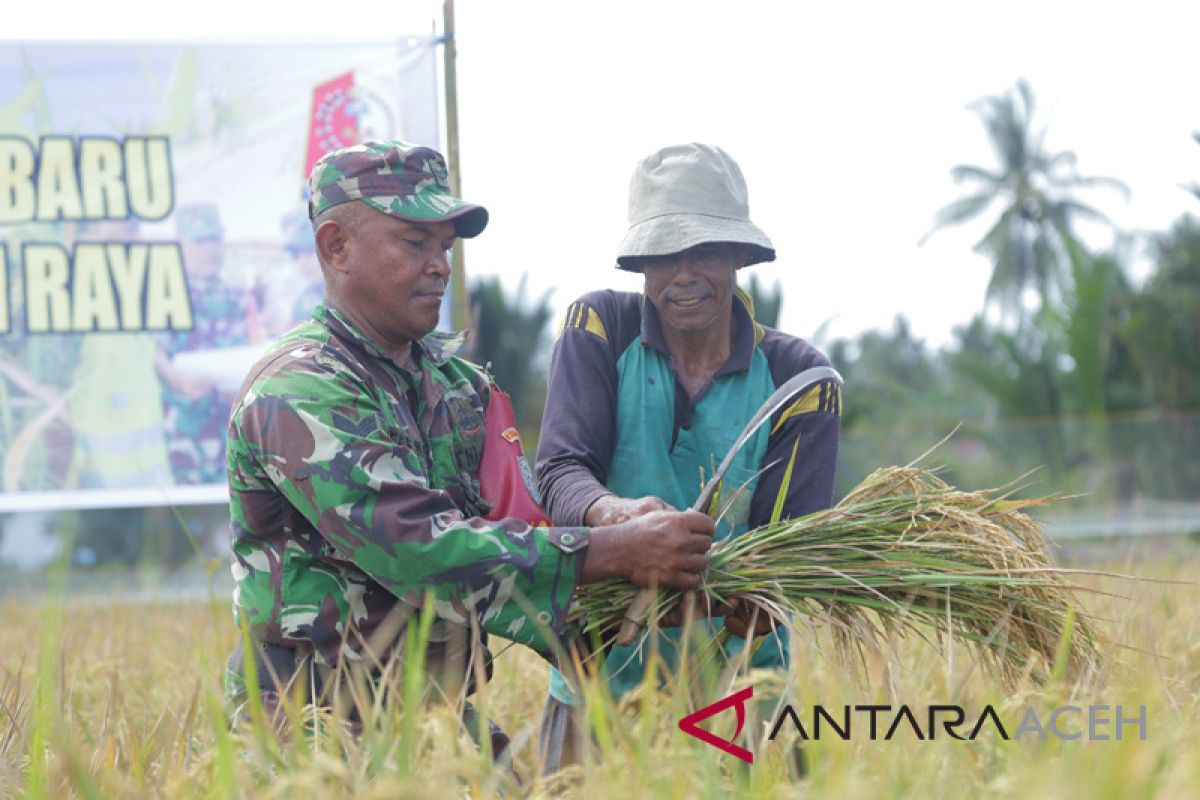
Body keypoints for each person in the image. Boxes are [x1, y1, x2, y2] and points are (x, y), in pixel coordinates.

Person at [224, 140, 719, 757]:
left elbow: (518, 531)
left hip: (432, 719)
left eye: (445, 247)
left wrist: (668, 586)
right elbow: (421, 551)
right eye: (414, 242)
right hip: (312, 731)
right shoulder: (299, 391)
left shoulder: (459, 387)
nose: (440, 265)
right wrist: (614, 550)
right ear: (335, 246)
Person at [535, 142, 842, 770]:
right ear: (640, 263)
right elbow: (560, 474)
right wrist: (618, 516)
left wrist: (737, 591)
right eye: (663, 255)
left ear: (739, 256)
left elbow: (790, 549)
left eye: (703, 251)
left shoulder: (799, 376)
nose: (682, 275)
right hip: (597, 674)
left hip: (741, 686)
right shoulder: (599, 326)